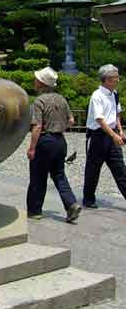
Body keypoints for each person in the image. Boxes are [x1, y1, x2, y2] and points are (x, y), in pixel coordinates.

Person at [27, 66, 81, 222]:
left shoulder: (39, 101)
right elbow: (71, 120)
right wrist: (59, 126)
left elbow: (37, 126)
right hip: (60, 141)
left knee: (38, 176)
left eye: (36, 79)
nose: (34, 81)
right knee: (59, 175)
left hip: (45, 141)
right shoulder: (61, 99)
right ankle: (71, 204)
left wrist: (32, 148)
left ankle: (35, 210)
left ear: (42, 83)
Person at [83, 64, 126, 208]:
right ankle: (88, 199)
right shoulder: (97, 95)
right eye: (115, 77)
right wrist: (114, 135)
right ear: (107, 79)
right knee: (93, 169)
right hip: (98, 136)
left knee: (120, 169)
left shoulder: (114, 94)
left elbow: (116, 113)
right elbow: (99, 119)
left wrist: (120, 130)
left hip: (112, 134)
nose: (118, 80)